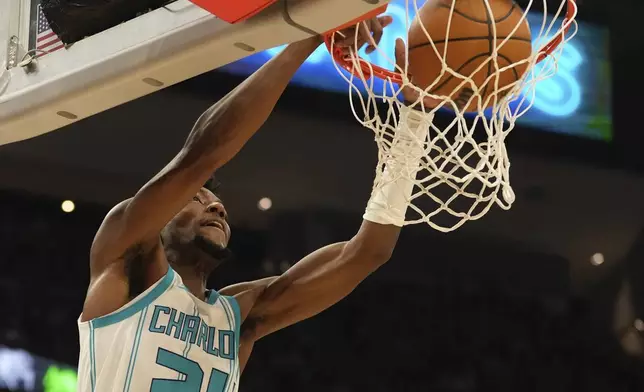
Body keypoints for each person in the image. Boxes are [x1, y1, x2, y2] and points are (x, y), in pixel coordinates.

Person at [77, 15, 424, 392]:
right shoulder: (124, 261)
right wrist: (309, 35)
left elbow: (368, 252)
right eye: (197, 198)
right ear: (158, 221)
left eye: (219, 203)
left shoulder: (238, 319)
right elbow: (202, 155)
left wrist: (415, 120)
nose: (217, 207)